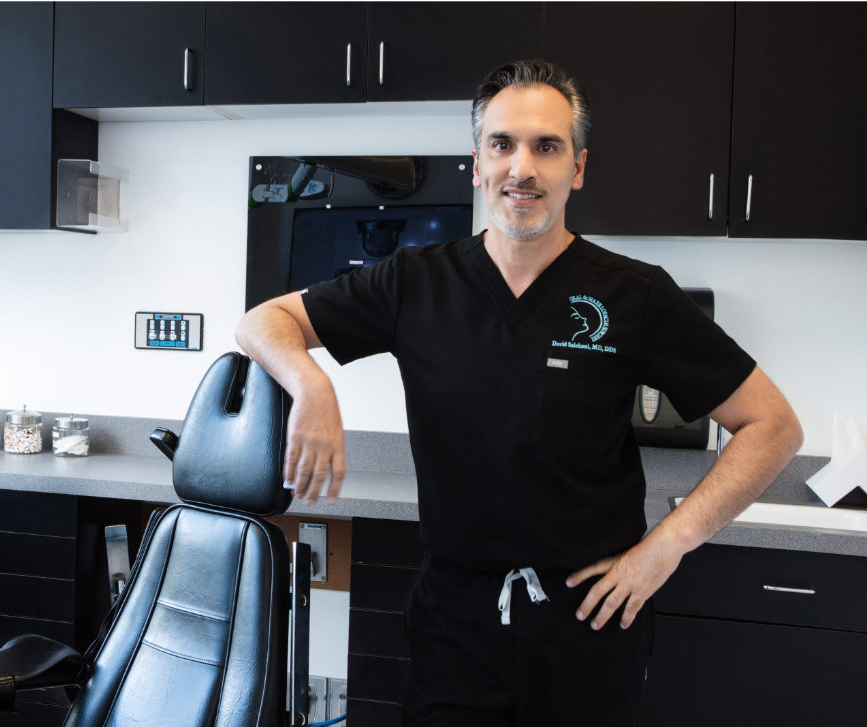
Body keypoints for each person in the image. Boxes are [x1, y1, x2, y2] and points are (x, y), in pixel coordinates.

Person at [236, 60, 803, 727]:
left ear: (579, 168)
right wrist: (312, 382)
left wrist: (667, 545)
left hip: (589, 622)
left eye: (547, 146)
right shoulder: (415, 283)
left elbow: (772, 424)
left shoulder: (633, 294)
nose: (522, 167)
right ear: (477, 165)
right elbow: (262, 322)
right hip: (454, 624)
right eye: (502, 144)